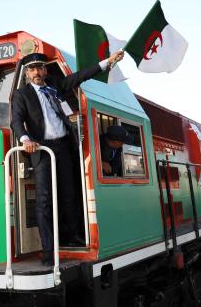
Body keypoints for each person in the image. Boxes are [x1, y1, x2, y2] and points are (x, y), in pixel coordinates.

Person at [10, 51, 124, 265]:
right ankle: (48, 250)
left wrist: (106, 63)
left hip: (63, 146)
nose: (37, 72)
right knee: (44, 200)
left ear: (45, 70)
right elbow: (16, 121)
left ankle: (72, 236)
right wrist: (25, 139)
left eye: (40, 68)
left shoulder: (54, 85)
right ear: (27, 73)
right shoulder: (22, 95)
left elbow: (79, 76)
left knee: (69, 193)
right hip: (42, 149)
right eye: (32, 69)